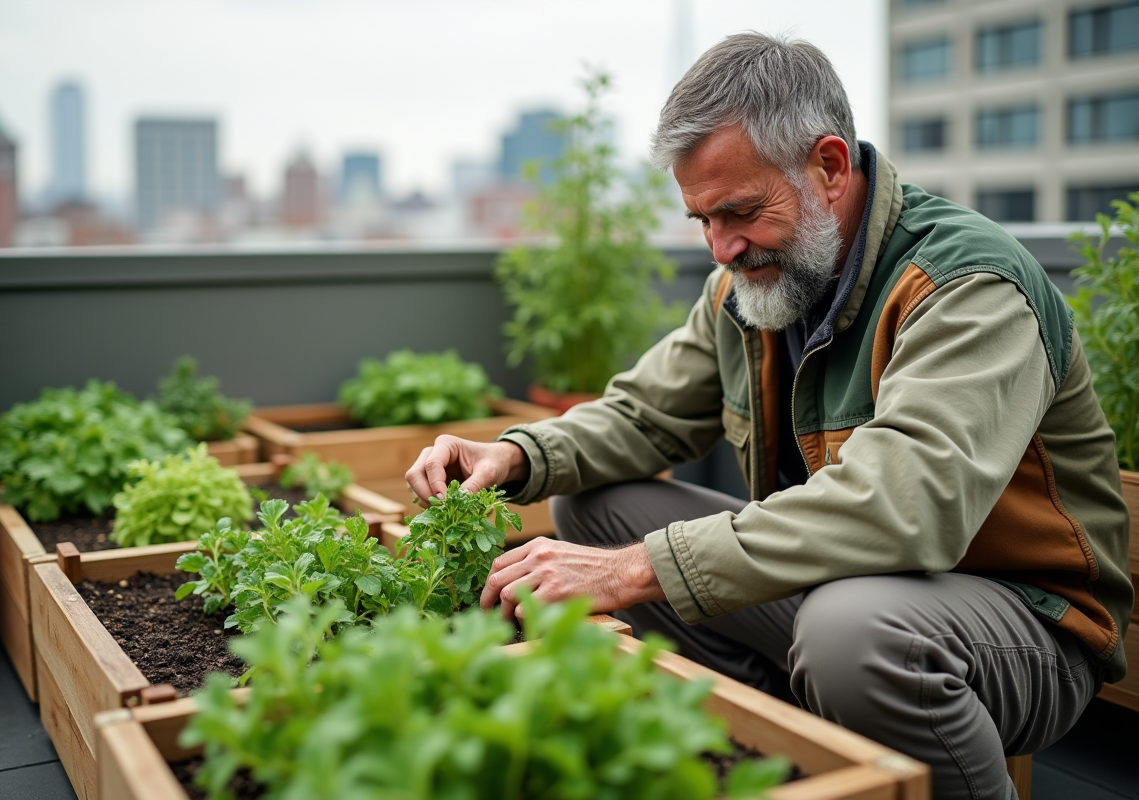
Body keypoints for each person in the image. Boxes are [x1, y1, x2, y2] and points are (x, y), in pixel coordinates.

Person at [405, 33, 1132, 800]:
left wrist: (633, 568)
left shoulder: (966, 285)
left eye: (741, 212)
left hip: (1027, 624)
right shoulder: (754, 285)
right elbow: (643, 416)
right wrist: (516, 454)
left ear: (829, 167)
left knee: (849, 633)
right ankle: (788, 759)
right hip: (850, 592)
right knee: (594, 508)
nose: (722, 247)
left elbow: (908, 505)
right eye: (702, 220)